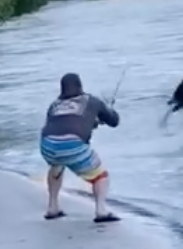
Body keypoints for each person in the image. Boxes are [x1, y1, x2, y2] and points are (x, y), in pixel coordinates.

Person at [39, 72, 121, 223]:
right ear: (80, 86)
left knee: (57, 166)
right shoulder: (92, 100)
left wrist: (93, 122)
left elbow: (62, 123)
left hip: (47, 145)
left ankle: (52, 207)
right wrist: (109, 110)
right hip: (72, 144)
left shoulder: (54, 105)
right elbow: (114, 121)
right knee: (100, 176)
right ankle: (101, 211)